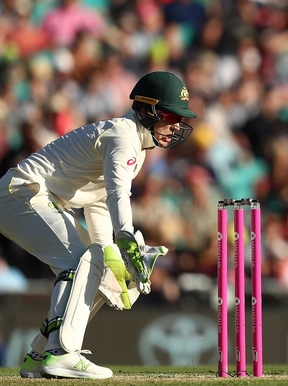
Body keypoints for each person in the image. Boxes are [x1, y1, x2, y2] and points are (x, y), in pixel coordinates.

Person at [0, 71, 196, 379]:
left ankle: (38, 356)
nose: (176, 125)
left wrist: (110, 252)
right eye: (171, 116)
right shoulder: (124, 136)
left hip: (33, 197)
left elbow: (98, 201)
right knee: (79, 263)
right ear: (147, 109)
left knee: (96, 269)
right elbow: (118, 193)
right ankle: (62, 353)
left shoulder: (136, 145)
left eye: (180, 118)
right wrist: (126, 237)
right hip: (23, 192)